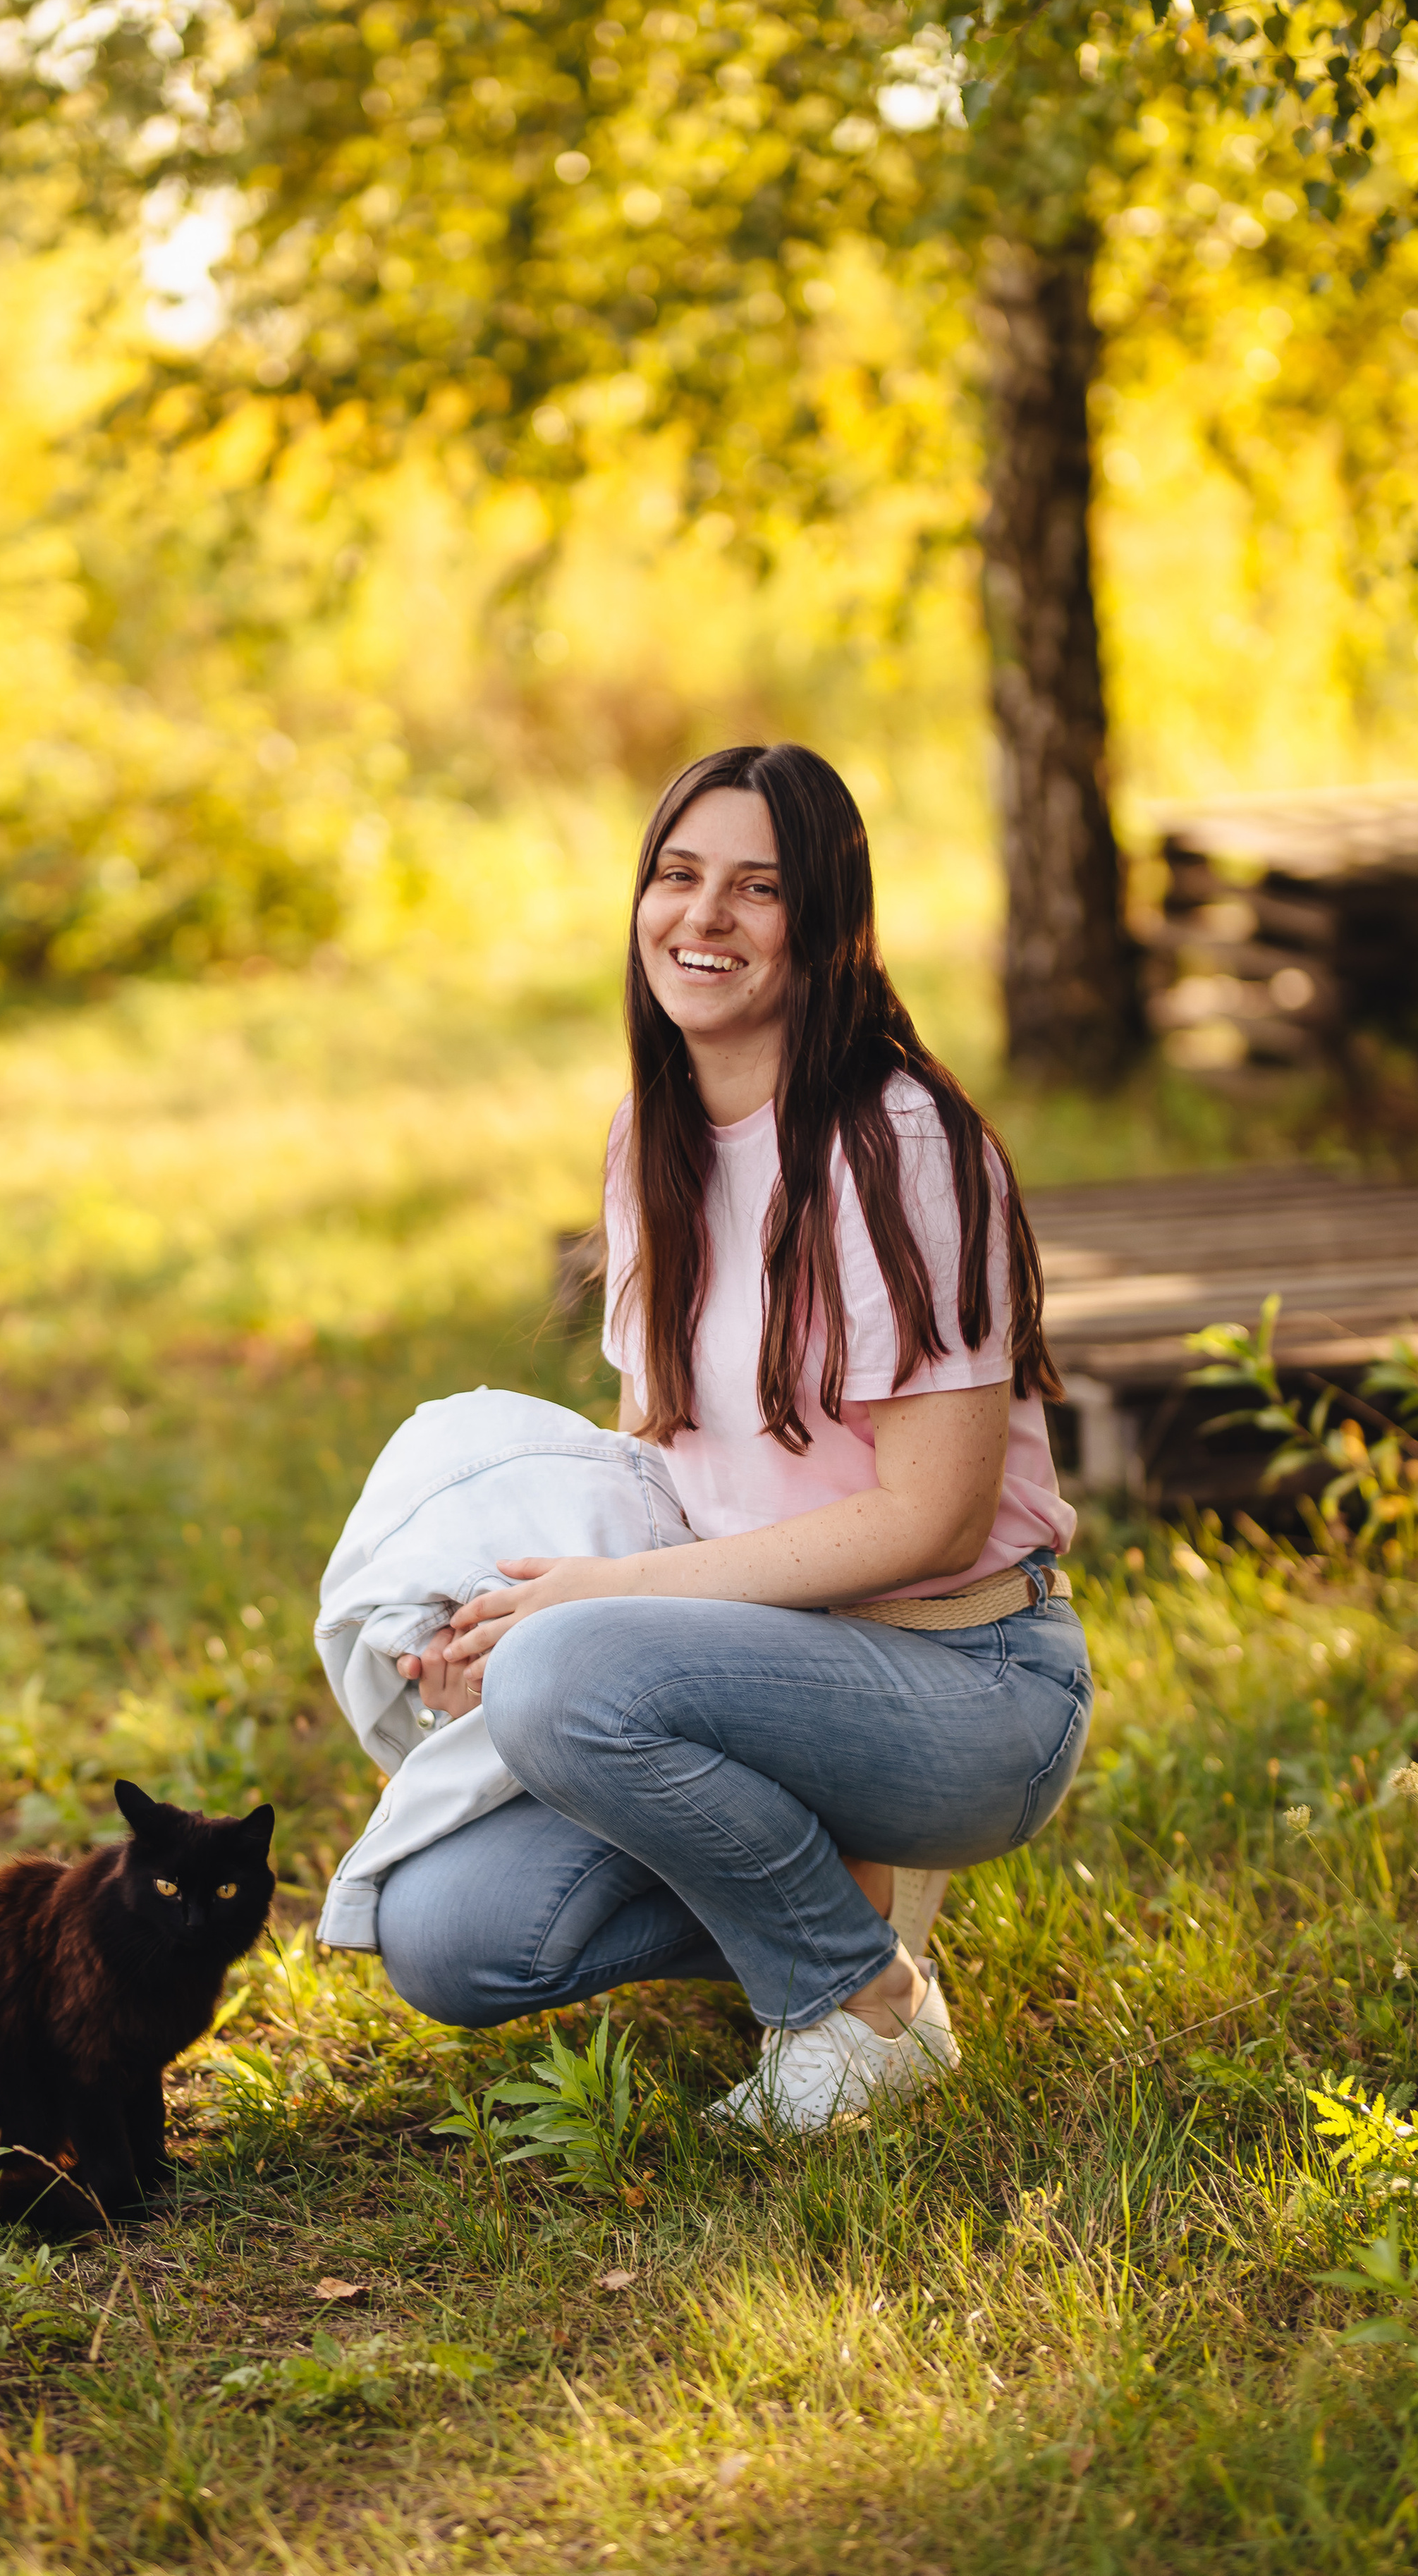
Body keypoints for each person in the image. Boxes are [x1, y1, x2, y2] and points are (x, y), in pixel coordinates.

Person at [377, 743, 1091, 2130]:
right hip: (761, 1671)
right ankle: (826, 1883)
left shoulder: (901, 1142)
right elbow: (666, 1454)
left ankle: (859, 2003)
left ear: (822, 925)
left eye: (756, 890)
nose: (700, 918)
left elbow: (931, 1517)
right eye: (676, 875)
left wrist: (586, 1622)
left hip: (968, 1685)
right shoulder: (651, 1135)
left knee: (568, 1673)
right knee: (450, 1935)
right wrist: (505, 1608)